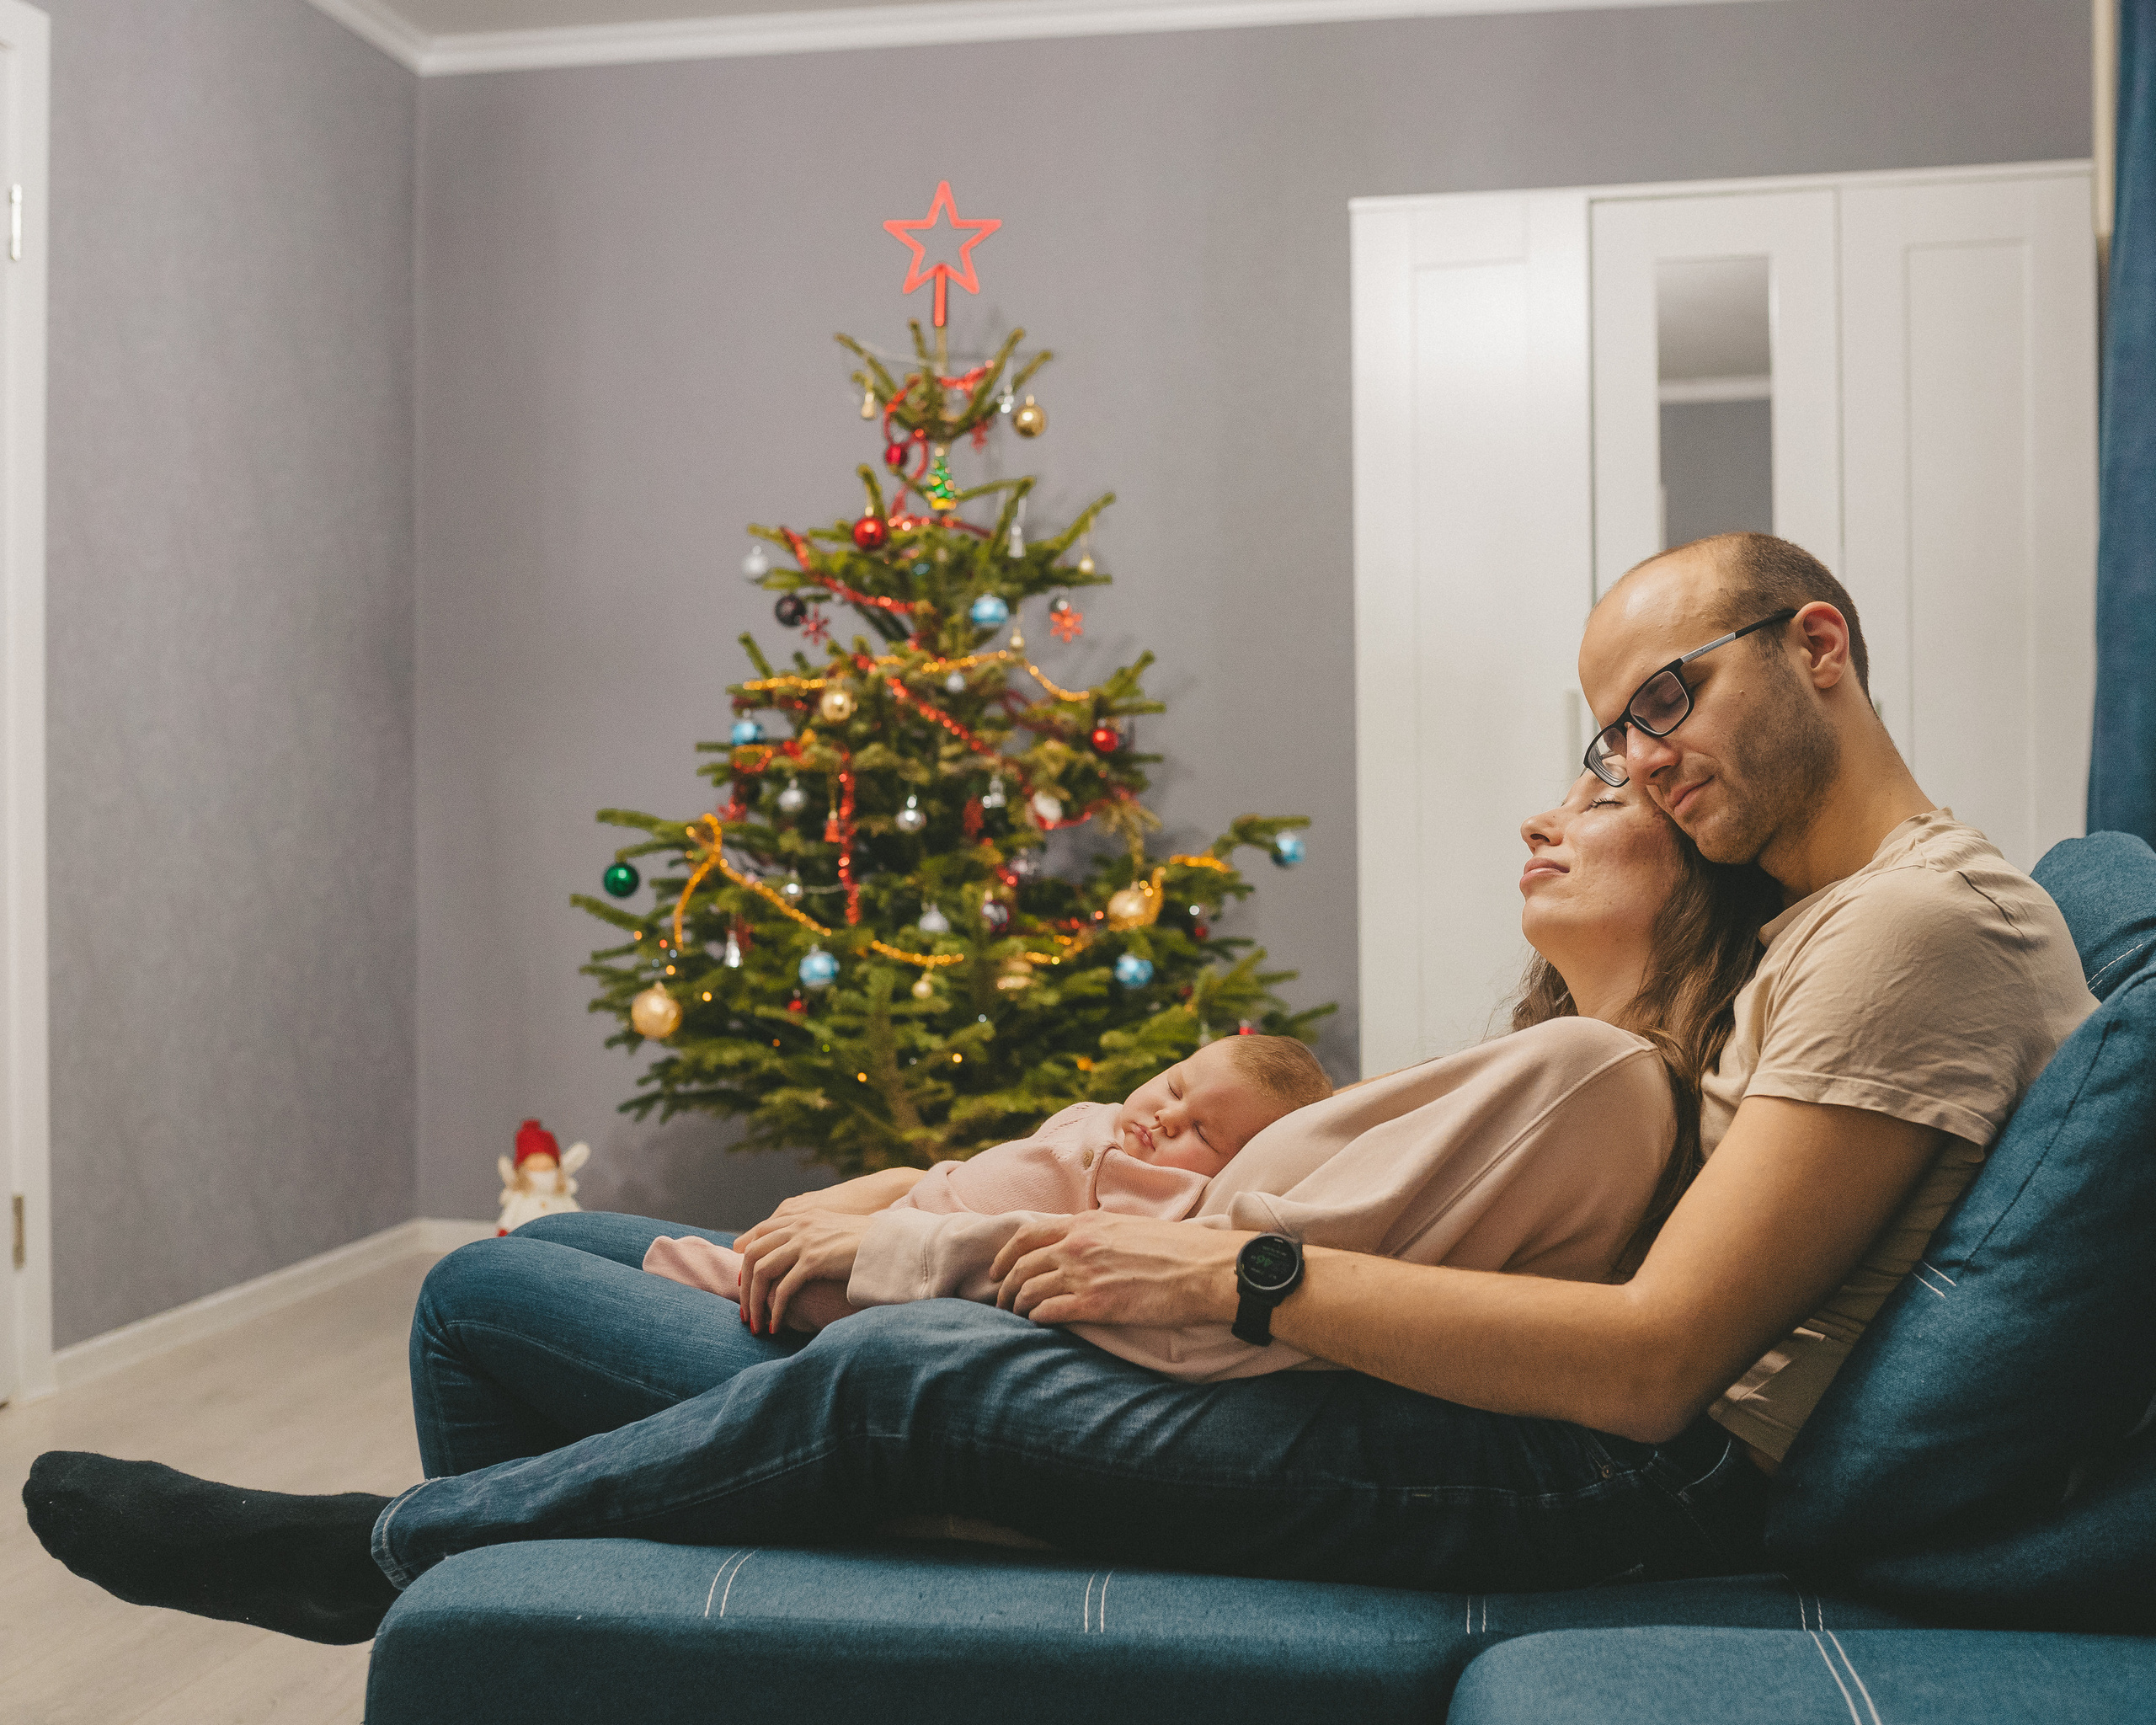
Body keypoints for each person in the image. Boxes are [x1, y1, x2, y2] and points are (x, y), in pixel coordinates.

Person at [24, 532, 2093, 1640]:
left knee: (885, 1382)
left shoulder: (1914, 924)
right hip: (1516, 1413)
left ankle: (385, 1557)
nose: (1635, 758)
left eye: (1666, 698)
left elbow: (1656, 1367)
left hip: (1618, 1488)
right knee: (548, 1288)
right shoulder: (1800, 932)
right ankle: (505, 1624)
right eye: (1603, 729)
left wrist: (1235, 1280)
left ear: (1815, 641)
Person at [643, 1033, 1335, 1336]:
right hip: (902, 1217)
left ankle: (709, 1279)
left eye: (1203, 1134)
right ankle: (716, 1270)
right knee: (571, 1239)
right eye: (1176, 1086)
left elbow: (1055, 1243)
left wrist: (892, 1226)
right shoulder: (1100, 1117)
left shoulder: (1162, 1200)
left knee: (792, 1286)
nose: (1165, 1117)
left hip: (906, 1282)